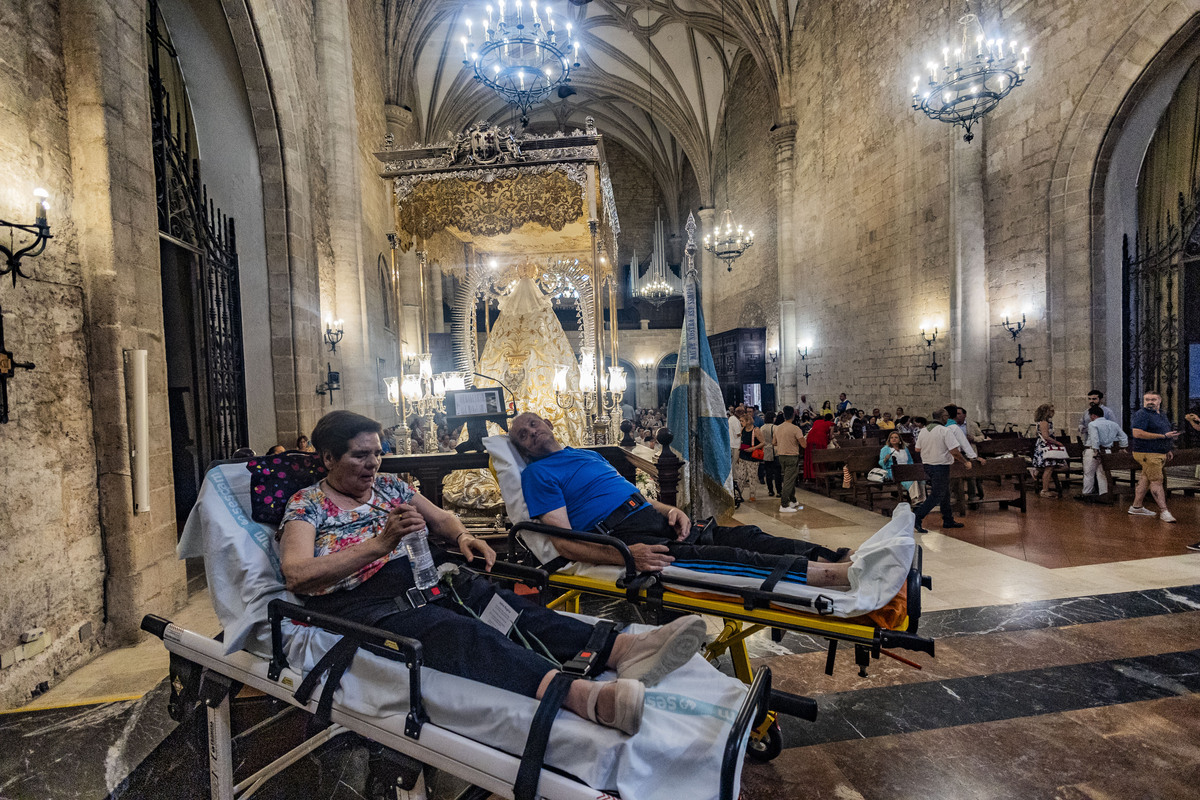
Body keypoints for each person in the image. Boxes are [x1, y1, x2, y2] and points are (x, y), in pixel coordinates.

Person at [278, 411, 708, 737]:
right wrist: (378, 545)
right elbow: (296, 575)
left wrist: (463, 537)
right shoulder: (307, 504)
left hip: (426, 583)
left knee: (511, 609)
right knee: (462, 633)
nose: (373, 463)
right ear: (329, 458)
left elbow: (443, 519)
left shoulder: (392, 487)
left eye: (377, 452)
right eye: (360, 455)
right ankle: (583, 698)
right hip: (367, 605)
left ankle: (622, 649)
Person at [508, 412, 855, 584]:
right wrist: (627, 557)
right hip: (625, 536)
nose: (533, 434)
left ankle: (835, 556)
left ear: (549, 424)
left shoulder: (588, 455)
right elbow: (565, 543)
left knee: (747, 535)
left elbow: (631, 495)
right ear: (523, 448)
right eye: (523, 436)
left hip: (649, 516)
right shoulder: (537, 475)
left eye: (535, 425)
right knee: (731, 557)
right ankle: (829, 576)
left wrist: (670, 508)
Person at [912, 408, 972, 533]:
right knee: (937, 495)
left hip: (928, 465)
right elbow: (955, 451)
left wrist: (931, 448)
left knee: (945, 494)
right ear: (942, 417)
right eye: (946, 416)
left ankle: (948, 520)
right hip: (940, 466)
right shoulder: (944, 431)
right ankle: (917, 517)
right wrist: (965, 462)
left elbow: (917, 449)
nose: (948, 418)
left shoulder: (923, 431)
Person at [1128, 391, 1181, 523]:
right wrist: (1163, 437)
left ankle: (1136, 506)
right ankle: (1164, 511)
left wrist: (1167, 447)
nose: (1150, 402)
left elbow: (1164, 432)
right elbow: (1137, 433)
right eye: (1147, 399)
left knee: (1145, 478)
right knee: (1157, 481)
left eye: (1153, 399)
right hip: (1147, 452)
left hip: (1158, 451)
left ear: (1160, 400)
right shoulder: (1142, 414)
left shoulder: (1161, 415)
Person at [1078, 404, 1127, 500]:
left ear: (1093, 415)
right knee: (1102, 473)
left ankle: (1086, 493)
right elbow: (1123, 436)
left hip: (1092, 450)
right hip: (1107, 450)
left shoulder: (1093, 424)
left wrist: (1096, 450)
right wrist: (1123, 447)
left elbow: (1095, 438)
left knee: (1089, 474)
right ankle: (1104, 493)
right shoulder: (1113, 424)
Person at [773, 407, 806, 512]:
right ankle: (784, 505)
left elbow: (774, 442)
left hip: (781, 456)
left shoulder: (777, 428)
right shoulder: (795, 428)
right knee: (788, 480)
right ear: (793, 415)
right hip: (792, 456)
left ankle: (793, 500)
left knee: (789, 479)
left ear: (783, 416)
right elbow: (804, 445)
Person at [879, 430, 923, 503]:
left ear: (900, 440)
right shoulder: (885, 449)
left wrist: (911, 468)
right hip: (893, 471)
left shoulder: (905, 449)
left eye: (896, 437)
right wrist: (885, 459)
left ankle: (921, 498)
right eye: (892, 438)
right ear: (889, 440)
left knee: (920, 479)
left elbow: (910, 461)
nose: (894, 439)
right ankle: (915, 499)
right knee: (911, 479)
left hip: (906, 469)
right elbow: (880, 463)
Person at [1031, 403, 1062, 498]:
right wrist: (1057, 443)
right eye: (1051, 410)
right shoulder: (1044, 422)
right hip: (1045, 447)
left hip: (1046, 445)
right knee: (1049, 467)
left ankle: (1035, 470)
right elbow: (1045, 436)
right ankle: (1045, 490)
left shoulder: (1046, 422)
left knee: (1048, 467)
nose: (1053, 412)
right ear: (1046, 412)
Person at [755, 412, 781, 498]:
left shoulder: (762, 428)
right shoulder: (775, 427)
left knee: (768, 472)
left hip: (765, 450)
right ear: (772, 418)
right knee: (777, 472)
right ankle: (779, 491)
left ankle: (770, 491)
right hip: (774, 450)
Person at [803, 413, 834, 482]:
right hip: (820, 439)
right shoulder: (831, 424)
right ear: (831, 419)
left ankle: (810, 475)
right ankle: (820, 476)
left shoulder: (817, 422)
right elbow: (831, 436)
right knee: (820, 457)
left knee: (810, 457)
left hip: (810, 439)